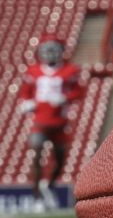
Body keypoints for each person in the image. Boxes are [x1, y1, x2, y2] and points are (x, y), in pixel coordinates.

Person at [18, 33, 83, 209]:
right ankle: (37, 197)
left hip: (60, 123)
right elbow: (25, 92)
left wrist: (65, 97)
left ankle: (50, 185)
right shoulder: (32, 71)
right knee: (36, 154)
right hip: (40, 121)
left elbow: (79, 92)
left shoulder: (70, 70)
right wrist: (26, 102)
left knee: (61, 160)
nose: (50, 53)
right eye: (46, 49)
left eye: (54, 49)